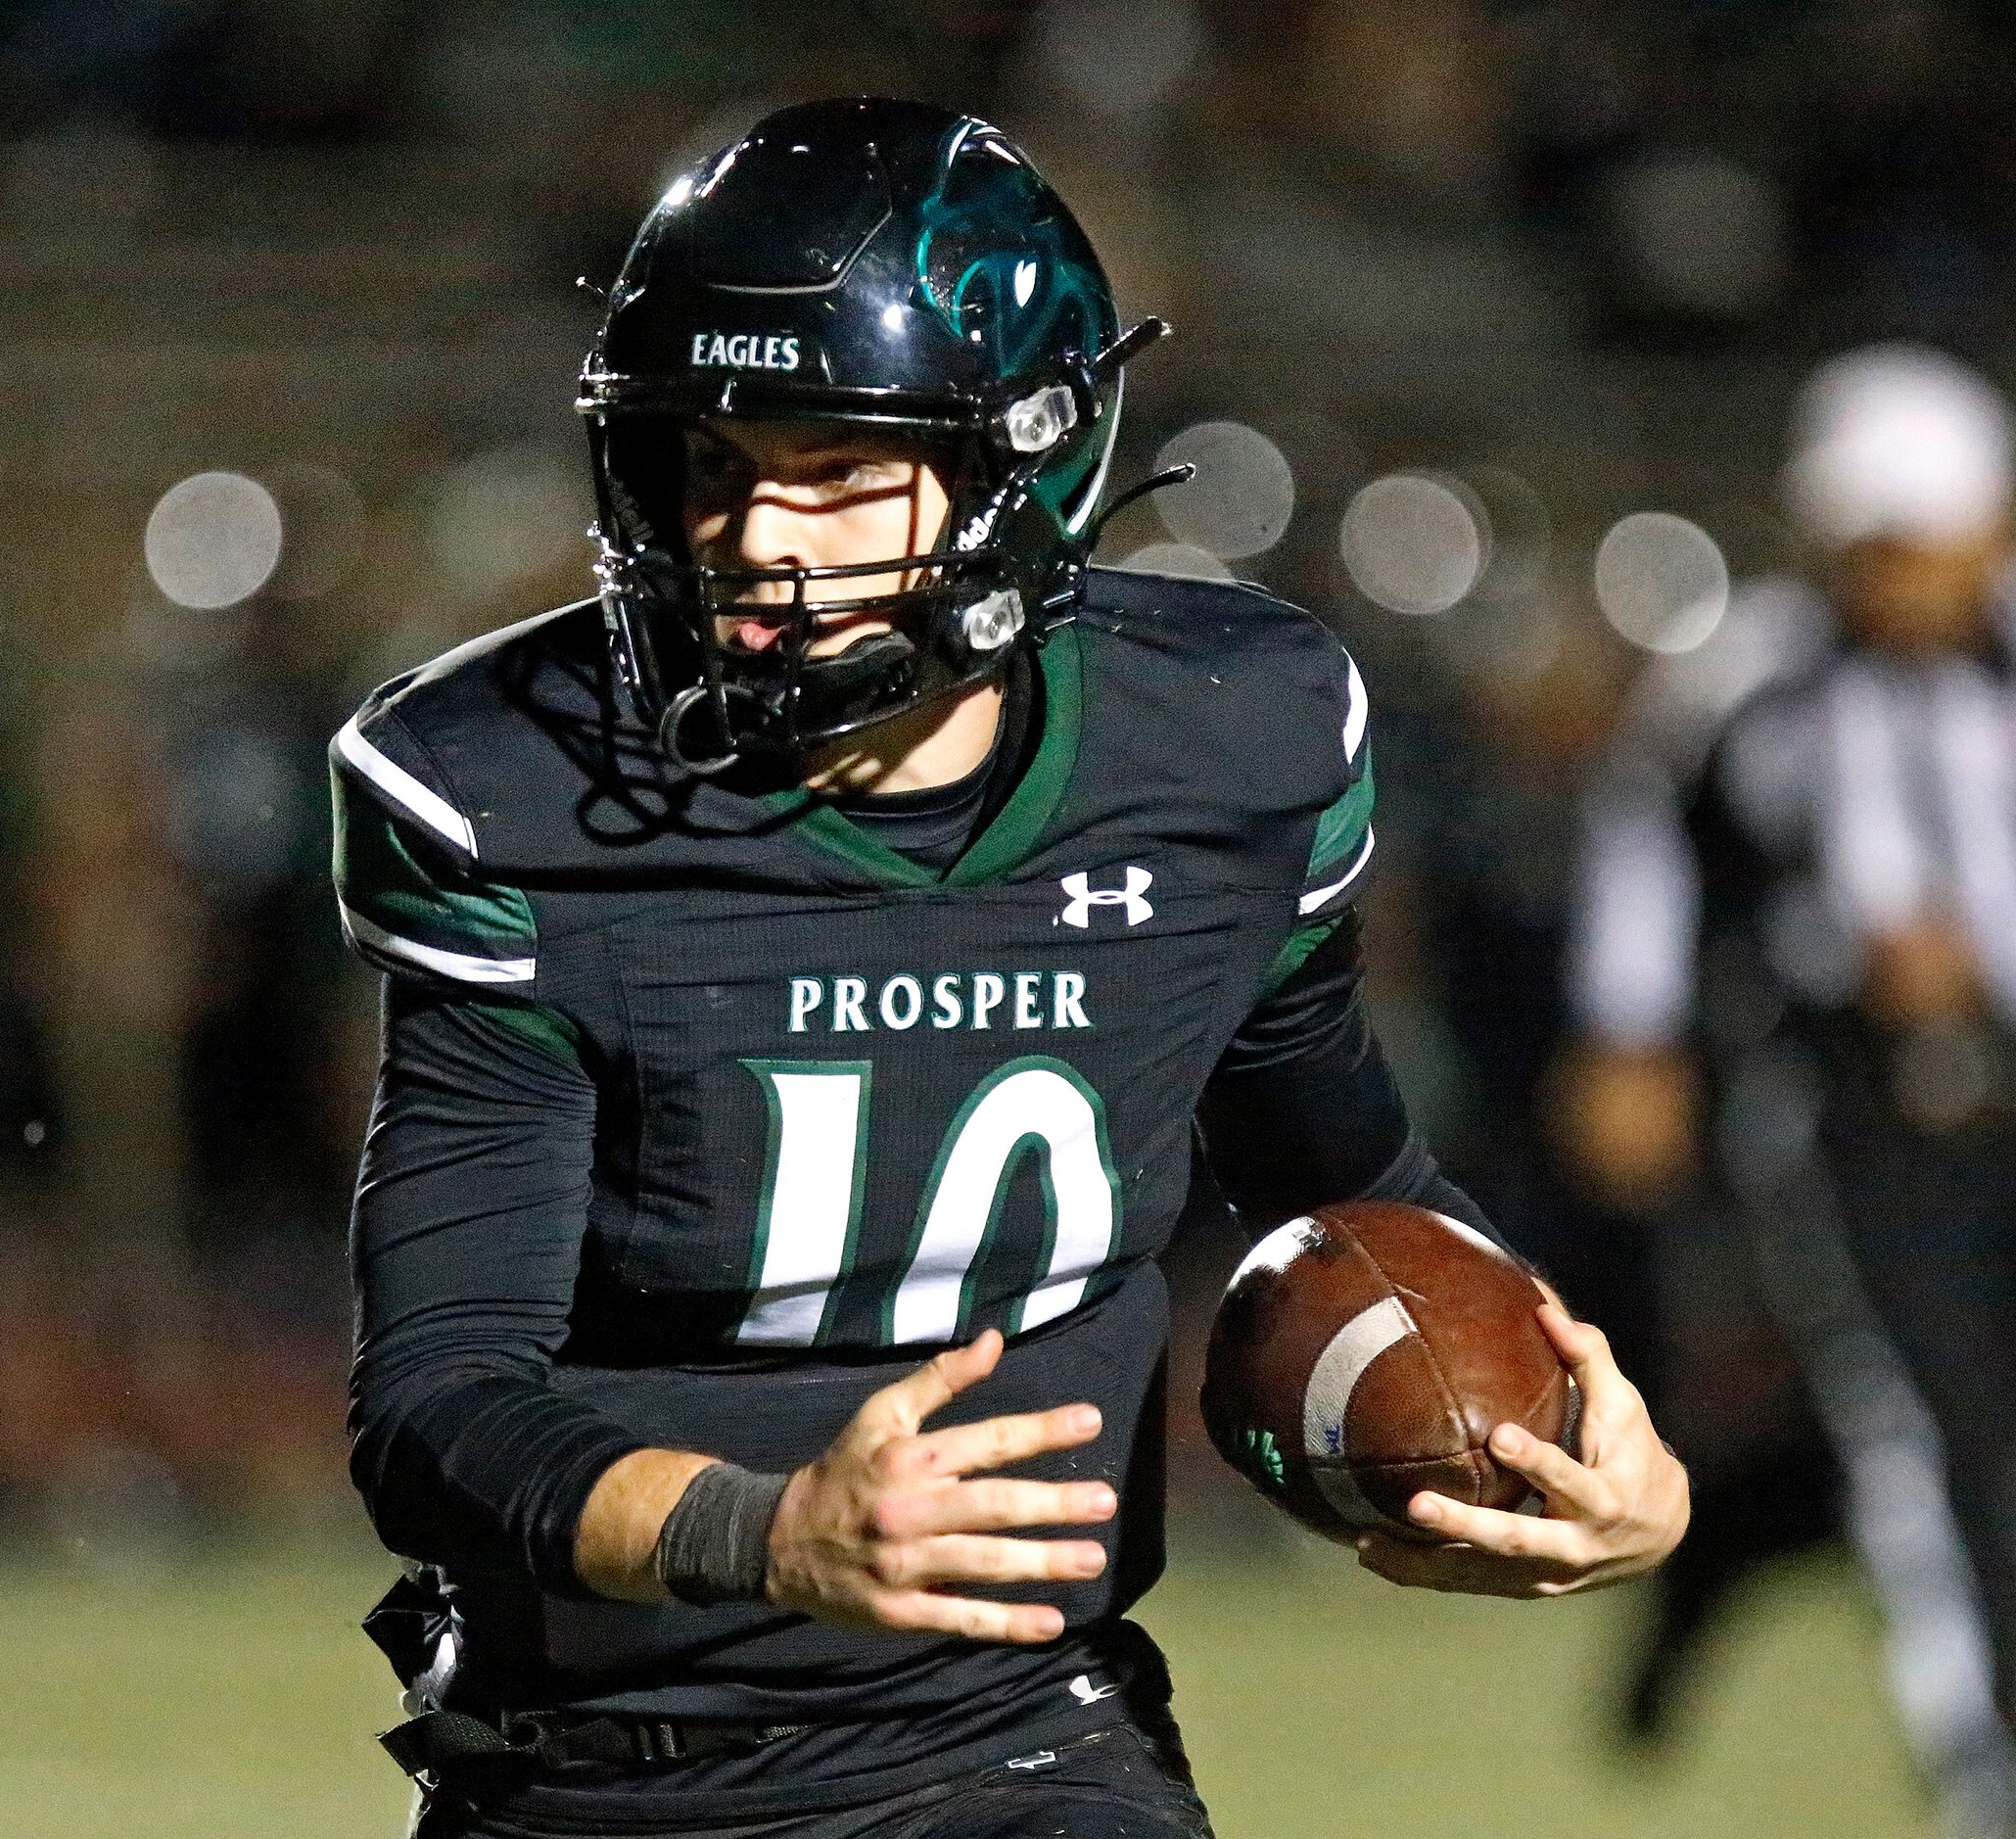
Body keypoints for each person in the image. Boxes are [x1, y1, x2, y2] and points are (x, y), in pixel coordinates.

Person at [333, 98, 1687, 1839]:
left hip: (1017, 1745)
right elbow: (438, 1403)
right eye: (714, 465)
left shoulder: (1224, 747)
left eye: (834, 468)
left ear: (1016, 465)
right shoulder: (514, 790)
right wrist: (766, 1527)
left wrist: (1562, 1438)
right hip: (596, 1765)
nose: (757, 540)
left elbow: (1345, 1182)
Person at [1568, 343, 2016, 1830]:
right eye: (1868, 542)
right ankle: (1987, 1753)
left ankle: (1718, 1553)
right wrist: (1627, 1035)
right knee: (1915, 1420)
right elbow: (1644, 842)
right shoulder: (1751, 669)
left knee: (1912, 1426)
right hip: (1844, 1107)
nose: (1896, 575)